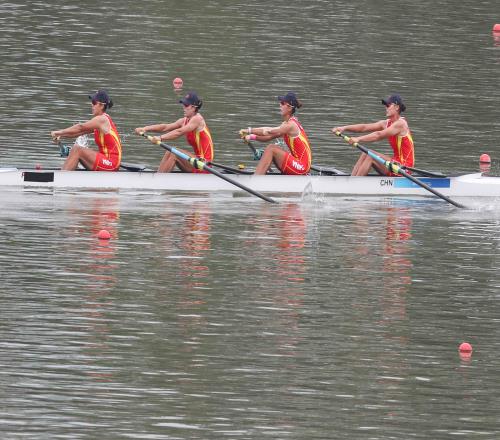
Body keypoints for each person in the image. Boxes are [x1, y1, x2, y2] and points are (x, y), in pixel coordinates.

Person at [332, 94, 414, 176]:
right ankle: (352, 179)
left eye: (388, 105)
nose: (386, 108)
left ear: (396, 107)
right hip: (395, 163)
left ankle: (355, 183)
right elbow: (364, 127)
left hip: (404, 168)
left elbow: (379, 135)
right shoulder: (386, 123)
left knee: (370, 155)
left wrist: (358, 139)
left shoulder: (401, 124)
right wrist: (344, 128)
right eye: (385, 105)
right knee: (365, 153)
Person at [135, 91, 214, 173]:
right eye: (183, 104)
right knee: (169, 151)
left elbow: (179, 132)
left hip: (204, 164)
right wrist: (145, 128)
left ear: (194, 107)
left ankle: (159, 180)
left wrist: (160, 138)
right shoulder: (184, 120)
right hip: (196, 162)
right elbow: (165, 127)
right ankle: (159, 175)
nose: (183, 107)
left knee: (174, 153)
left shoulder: (198, 119)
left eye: (186, 105)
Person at [239, 92, 312, 175]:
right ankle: (260, 175)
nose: (280, 105)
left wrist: (249, 130)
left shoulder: (291, 125)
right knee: (272, 148)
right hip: (297, 164)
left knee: (271, 149)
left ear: (289, 108)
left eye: (282, 103)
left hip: (302, 167)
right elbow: (269, 137)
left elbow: (268, 131)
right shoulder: (286, 124)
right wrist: (250, 137)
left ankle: (256, 178)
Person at [51, 89, 122, 171]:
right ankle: (67, 172)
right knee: (76, 149)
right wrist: (61, 135)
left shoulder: (102, 119)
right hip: (106, 160)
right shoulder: (99, 122)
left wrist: (59, 132)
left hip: (111, 163)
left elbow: (80, 127)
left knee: (77, 150)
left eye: (94, 102)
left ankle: (62, 178)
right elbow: (79, 132)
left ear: (102, 105)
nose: (91, 104)